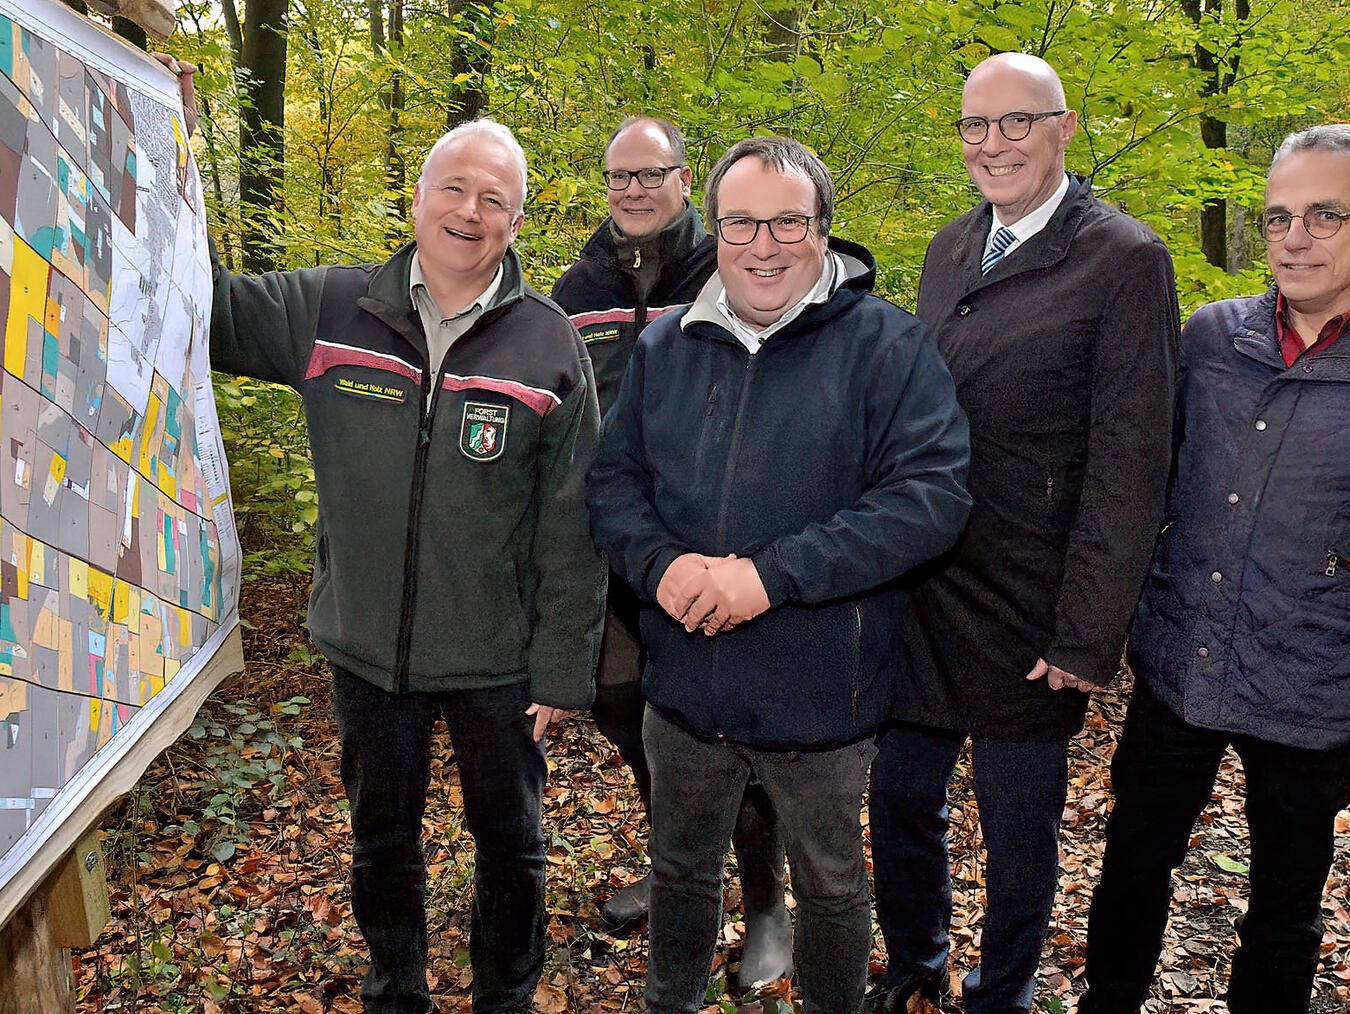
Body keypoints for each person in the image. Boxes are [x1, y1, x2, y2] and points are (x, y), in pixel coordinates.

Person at [204, 112, 606, 1013]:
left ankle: (504, 995)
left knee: (513, 843)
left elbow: (575, 523)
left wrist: (561, 670)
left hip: (499, 661)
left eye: (493, 198)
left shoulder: (548, 343)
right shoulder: (330, 308)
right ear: (418, 198)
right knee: (382, 840)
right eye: (453, 189)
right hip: (367, 652)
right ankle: (397, 990)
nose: (469, 211)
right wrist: (166, 140)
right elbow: (205, 302)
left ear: (517, 219)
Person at [588, 135, 972, 1014]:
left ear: (825, 232)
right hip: (683, 689)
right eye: (741, 223)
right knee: (681, 873)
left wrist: (773, 576)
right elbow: (613, 484)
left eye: (788, 222)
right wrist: (661, 565)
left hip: (821, 693)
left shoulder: (889, 348)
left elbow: (933, 497)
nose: (763, 245)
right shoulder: (667, 348)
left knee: (832, 888)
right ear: (713, 230)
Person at [867, 53, 1180, 1013]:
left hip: (1031, 605)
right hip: (927, 585)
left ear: (1065, 128)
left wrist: (1088, 633)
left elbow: (1133, 464)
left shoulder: (1124, 259)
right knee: (901, 800)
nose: (992, 144)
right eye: (975, 126)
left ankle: (1001, 988)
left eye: (1017, 122)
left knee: (1017, 828)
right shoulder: (950, 246)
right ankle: (917, 969)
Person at [1078, 124, 1350, 1014]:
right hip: (1180, 668)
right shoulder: (1209, 338)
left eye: (1324, 215)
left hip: (1314, 689)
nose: (1295, 237)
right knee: (1133, 866)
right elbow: (1143, 477)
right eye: (1277, 217)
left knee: (1284, 907)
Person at [551, 116, 790, 980]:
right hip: (617, 553)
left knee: (732, 731)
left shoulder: (731, 265)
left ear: (685, 179)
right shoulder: (576, 287)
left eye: (652, 174)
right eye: (619, 177)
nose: (634, 190)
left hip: (714, 553)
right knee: (629, 714)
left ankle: (767, 902)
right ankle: (681, 870)